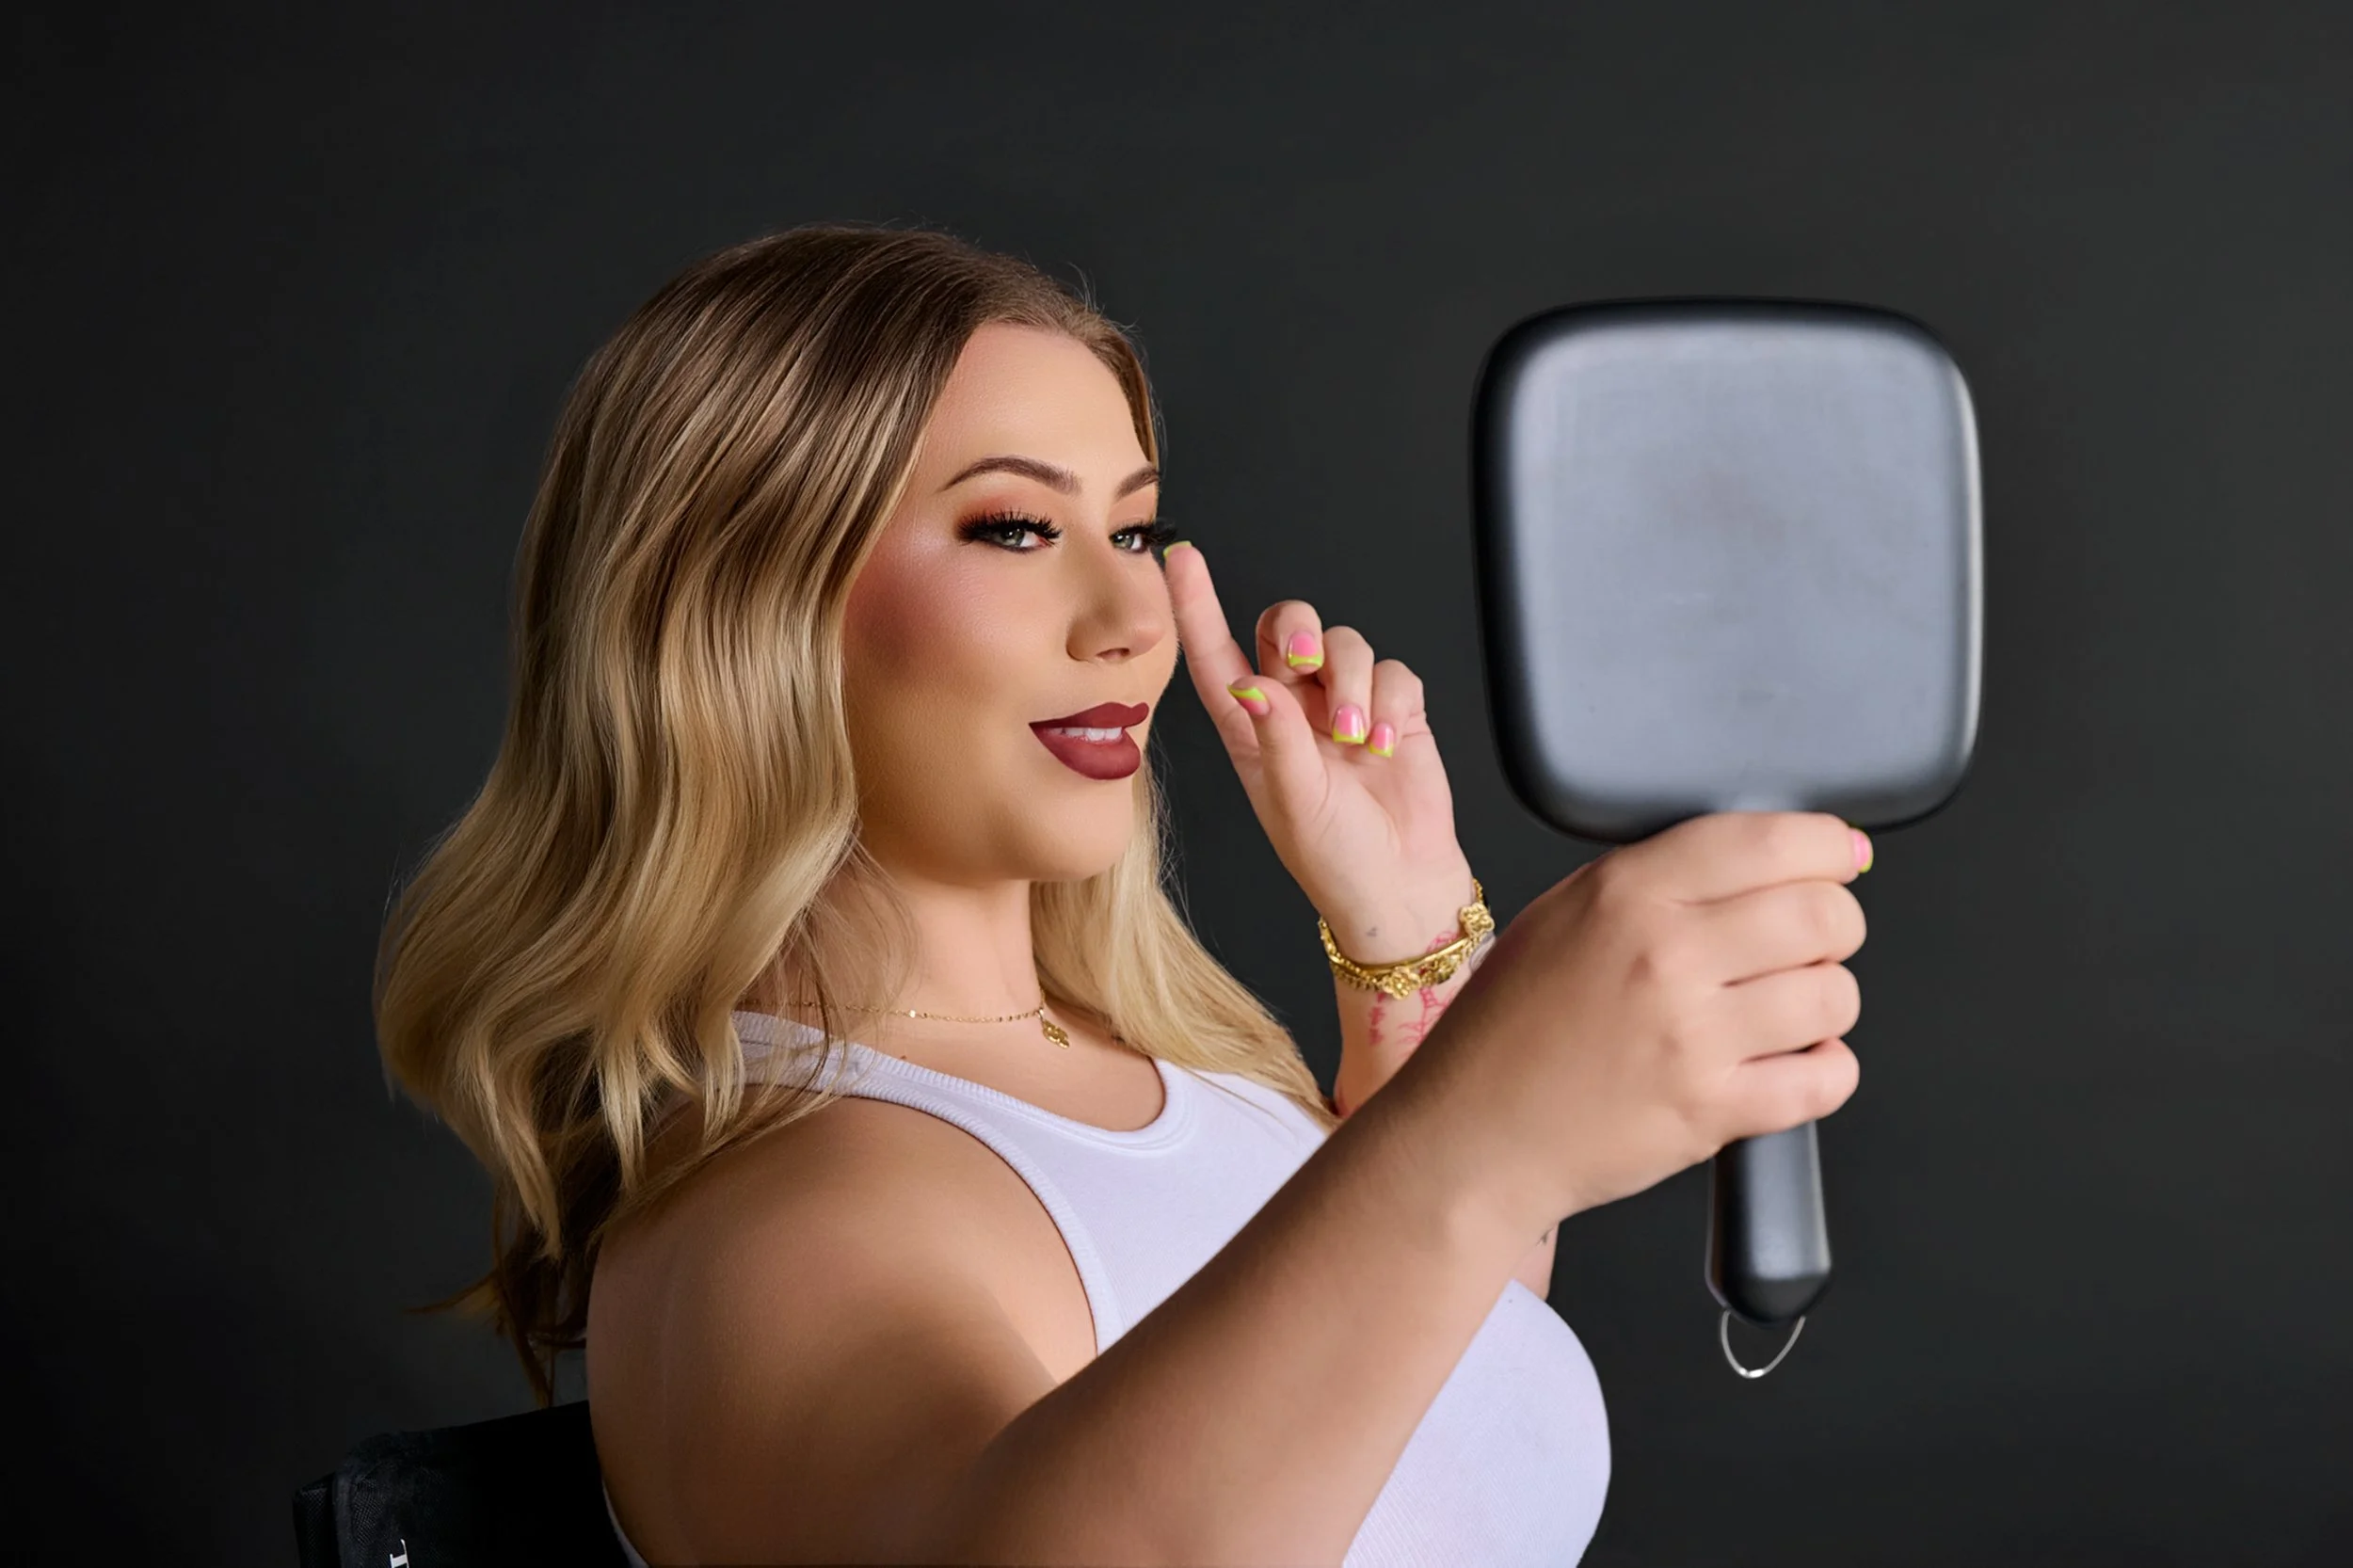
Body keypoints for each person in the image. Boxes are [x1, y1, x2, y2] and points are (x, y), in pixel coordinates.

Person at [374, 222, 1869, 1565]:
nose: (1131, 611)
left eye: (1134, 529)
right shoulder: (781, 1215)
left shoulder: (1176, 1081)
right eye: (1016, 529)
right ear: (742, 598)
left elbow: (1432, 1403)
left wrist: (1408, 938)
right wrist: (1475, 1135)